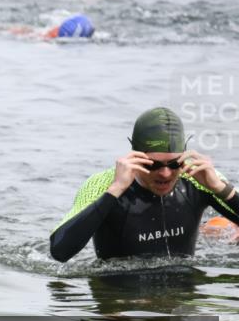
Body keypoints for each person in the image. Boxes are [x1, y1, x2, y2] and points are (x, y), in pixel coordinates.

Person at [50, 108, 239, 262]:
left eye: (174, 164)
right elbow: (60, 252)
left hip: (182, 297)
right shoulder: (103, 184)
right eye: (153, 164)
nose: (165, 173)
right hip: (121, 297)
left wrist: (220, 189)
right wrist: (115, 190)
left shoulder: (199, 176)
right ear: (135, 156)